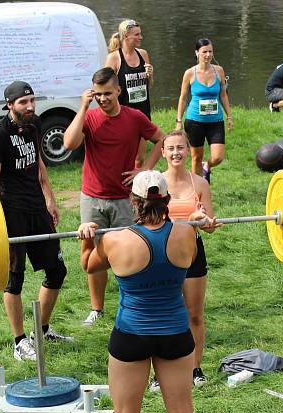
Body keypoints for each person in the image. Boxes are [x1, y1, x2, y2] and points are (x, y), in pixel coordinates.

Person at [78, 170, 208, 413]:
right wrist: (197, 220)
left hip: (131, 335)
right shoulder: (187, 235)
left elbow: (88, 267)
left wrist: (87, 238)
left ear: (133, 202)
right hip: (175, 335)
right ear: (166, 201)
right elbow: (187, 232)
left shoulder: (116, 240)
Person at [63, 67, 165, 327]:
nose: (102, 98)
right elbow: (69, 144)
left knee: (129, 253)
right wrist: (83, 108)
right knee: (92, 257)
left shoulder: (135, 118)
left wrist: (145, 170)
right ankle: (96, 309)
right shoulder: (89, 117)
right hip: (92, 198)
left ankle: (131, 303)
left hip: (124, 199)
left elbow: (161, 139)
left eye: (107, 93)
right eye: (97, 94)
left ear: (119, 90)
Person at [0, 81, 73, 361]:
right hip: (12, 214)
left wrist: (50, 198)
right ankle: (19, 341)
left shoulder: (33, 127)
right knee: (15, 279)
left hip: (37, 209)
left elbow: (39, 164)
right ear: (10, 105)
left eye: (32, 100)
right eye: (23, 102)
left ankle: (41, 330)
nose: (30, 106)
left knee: (57, 271)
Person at [158, 130, 220, 391]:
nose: (176, 153)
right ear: (163, 152)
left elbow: (209, 224)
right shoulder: (155, 183)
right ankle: (160, 374)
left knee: (194, 315)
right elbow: (145, 222)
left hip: (192, 252)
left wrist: (204, 221)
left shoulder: (200, 184)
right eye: (170, 148)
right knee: (163, 315)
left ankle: (195, 369)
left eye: (180, 148)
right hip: (161, 254)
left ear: (188, 151)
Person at [176, 38, 233, 182]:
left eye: (210, 52)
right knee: (196, 157)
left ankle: (207, 166)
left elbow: (223, 95)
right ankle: (197, 188)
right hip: (195, 121)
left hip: (215, 120)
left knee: (218, 157)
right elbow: (183, 98)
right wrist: (178, 121)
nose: (208, 55)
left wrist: (229, 116)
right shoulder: (189, 73)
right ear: (197, 53)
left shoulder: (219, 71)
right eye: (204, 52)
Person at [105, 19, 154, 168]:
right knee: (123, 156)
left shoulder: (143, 54)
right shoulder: (114, 58)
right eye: (137, 34)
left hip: (143, 112)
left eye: (141, 34)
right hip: (123, 114)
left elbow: (149, 86)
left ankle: (136, 189)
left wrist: (150, 75)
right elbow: (105, 88)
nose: (141, 37)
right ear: (126, 36)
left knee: (139, 158)